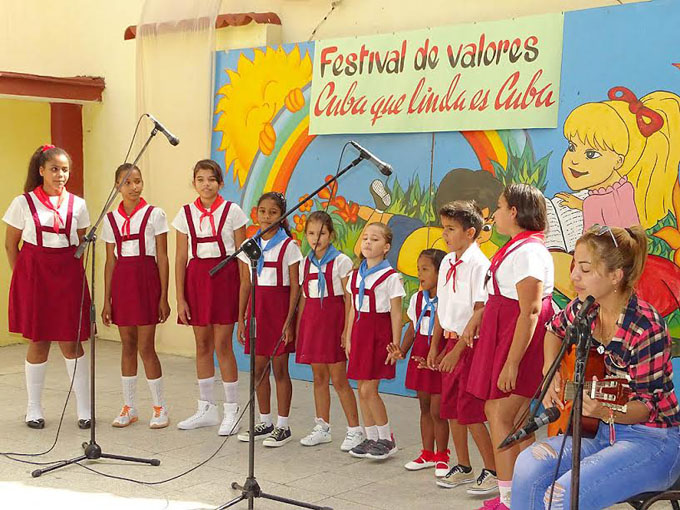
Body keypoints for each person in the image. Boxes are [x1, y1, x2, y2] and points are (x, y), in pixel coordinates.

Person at [513, 224, 680, 509]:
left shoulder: (644, 327)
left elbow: (646, 407)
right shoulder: (584, 309)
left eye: (586, 269)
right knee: (527, 464)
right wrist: (550, 373)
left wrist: (604, 411)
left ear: (616, 276)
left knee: (564, 494)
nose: (574, 275)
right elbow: (554, 330)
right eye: (575, 265)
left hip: (652, 440)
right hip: (597, 432)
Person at [466, 184, 555, 510]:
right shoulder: (518, 248)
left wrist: (512, 363)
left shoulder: (530, 252)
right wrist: (479, 318)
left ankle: (510, 500)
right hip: (505, 334)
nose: (497, 214)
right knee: (516, 422)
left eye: (501, 207)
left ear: (515, 212)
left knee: (500, 413)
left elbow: (530, 310)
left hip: (518, 341)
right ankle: (524, 494)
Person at [3, 144, 91, 429]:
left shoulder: (78, 204)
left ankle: (84, 408)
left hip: (68, 274)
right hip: (36, 276)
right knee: (38, 341)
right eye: (54, 169)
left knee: (71, 340)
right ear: (41, 171)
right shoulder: (23, 202)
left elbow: (80, 242)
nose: (60, 175)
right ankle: (34, 408)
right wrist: (25, 279)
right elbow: (10, 244)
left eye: (65, 169)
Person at [423, 201, 497, 494]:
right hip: (451, 342)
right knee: (450, 408)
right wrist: (435, 346)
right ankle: (464, 466)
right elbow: (442, 306)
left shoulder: (480, 265)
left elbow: (479, 311)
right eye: (444, 228)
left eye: (451, 229)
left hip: (470, 346)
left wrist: (457, 351)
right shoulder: (448, 264)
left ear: (470, 232)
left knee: (471, 411)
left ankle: (491, 470)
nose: (445, 234)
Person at [173, 159, 248, 436]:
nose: (206, 184)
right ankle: (206, 408)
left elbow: (242, 257)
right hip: (197, 279)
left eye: (211, 179)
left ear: (220, 183)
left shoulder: (233, 211)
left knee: (222, 345)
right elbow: (181, 257)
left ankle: (232, 410)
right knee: (202, 344)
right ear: (194, 182)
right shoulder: (184, 214)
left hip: (224, 278)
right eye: (200, 179)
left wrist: (244, 296)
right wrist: (180, 298)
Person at [101, 163, 170, 429]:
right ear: (117, 186)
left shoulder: (155, 215)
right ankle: (129, 406)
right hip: (122, 283)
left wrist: (164, 296)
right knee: (127, 345)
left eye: (138, 181)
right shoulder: (110, 220)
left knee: (146, 347)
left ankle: (159, 406)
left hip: (146, 280)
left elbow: (162, 257)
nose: (134, 187)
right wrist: (107, 299)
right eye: (127, 183)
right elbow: (110, 261)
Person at [236, 191, 302, 447]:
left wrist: (289, 321)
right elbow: (245, 284)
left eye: (273, 212)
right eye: (262, 211)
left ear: (282, 215)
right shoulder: (248, 245)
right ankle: (265, 420)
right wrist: (241, 318)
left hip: (278, 310)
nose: (267, 217)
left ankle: (283, 425)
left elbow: (296, 286)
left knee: (280, 369)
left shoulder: (289, 247)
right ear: (256, 212)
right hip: (257, 311)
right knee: (258, 369)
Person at [295, 211, 364, 451]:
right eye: (312, 234)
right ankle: (322, 426)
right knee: (318, 378)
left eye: (321, 233)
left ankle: (355, 430)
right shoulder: (305, 262)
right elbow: (305, 297)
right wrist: (300, 327)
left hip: (333, 322)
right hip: (313, 324)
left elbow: (349, 298)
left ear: (331, 235)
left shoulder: (341, 261)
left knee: (339, 378)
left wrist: (347, 330)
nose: (316, 239)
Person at [388, 248, 451, 477]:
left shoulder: (447, 298)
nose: (420, 274)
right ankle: (427, 453)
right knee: (424, 406)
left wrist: (439, 355)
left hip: (440, 355)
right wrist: (401, 351)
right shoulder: (416, 298)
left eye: (425, 269)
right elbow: (413, 329)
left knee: (438, 410)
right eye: (418, 269)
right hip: (420, 353)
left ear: (440, 272)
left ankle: (442, 455)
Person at [345, 223, 405, 460]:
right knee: (361, 388)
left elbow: (396, 313)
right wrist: (349, 337)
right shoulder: (354, 274)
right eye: (365, 238)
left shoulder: (391, 277)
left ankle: (386, 438)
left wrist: (395, 344)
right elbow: (352, 310)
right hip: (360, 332)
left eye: (375, 239)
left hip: (378, 335)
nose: (368, 242)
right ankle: (370, 437)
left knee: (370, 389)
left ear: (387, 247)